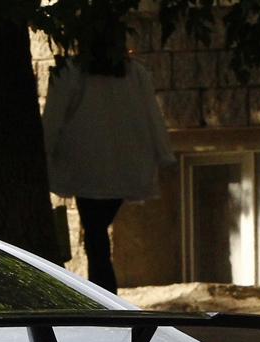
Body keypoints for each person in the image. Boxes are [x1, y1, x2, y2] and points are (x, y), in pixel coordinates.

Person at [41, 26, 174, 293]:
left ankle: (103, 293)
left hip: (85, 167)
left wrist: (43, 154)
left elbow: (53, 119)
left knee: (95, 236)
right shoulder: (134, 72)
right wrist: (164, 155)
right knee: (96, 235)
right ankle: (103, 293)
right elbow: (153, 116)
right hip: (125, 166)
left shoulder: (70, 71)